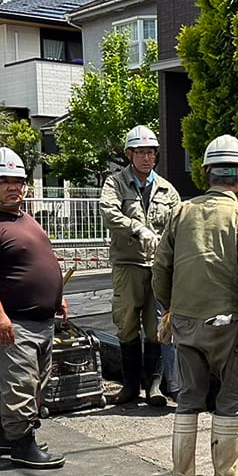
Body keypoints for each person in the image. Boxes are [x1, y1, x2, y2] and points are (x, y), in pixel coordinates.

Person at [152, 134, 238, 476]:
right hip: (225, 324)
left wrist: (170, 308)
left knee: (189, 395)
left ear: (206, 173)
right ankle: (227, 474)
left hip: (184, 321)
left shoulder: (181, 212)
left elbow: (160, 268)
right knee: (234, 394)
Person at [0, 147, 66, 468]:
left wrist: (56, 295)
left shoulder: (25, 219)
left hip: (41, 319)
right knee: (20, 383)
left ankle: (9, 438)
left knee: (36, 382)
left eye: (18, 181)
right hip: (14, 321)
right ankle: (23, 444)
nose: (14, 187)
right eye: (5, 181)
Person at [100, 125, 182, 406]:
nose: (147, 158)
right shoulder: (115, 183)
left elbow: (177, 226)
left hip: (157, 267)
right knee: (126, 323)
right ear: (129, 154)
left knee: (156, 327)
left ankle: (154, 387)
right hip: (128, 264)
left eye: (151, 153)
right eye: (141, 153)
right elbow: (109, 213)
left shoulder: (167, 190)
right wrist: (137, 228)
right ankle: (130, 386)